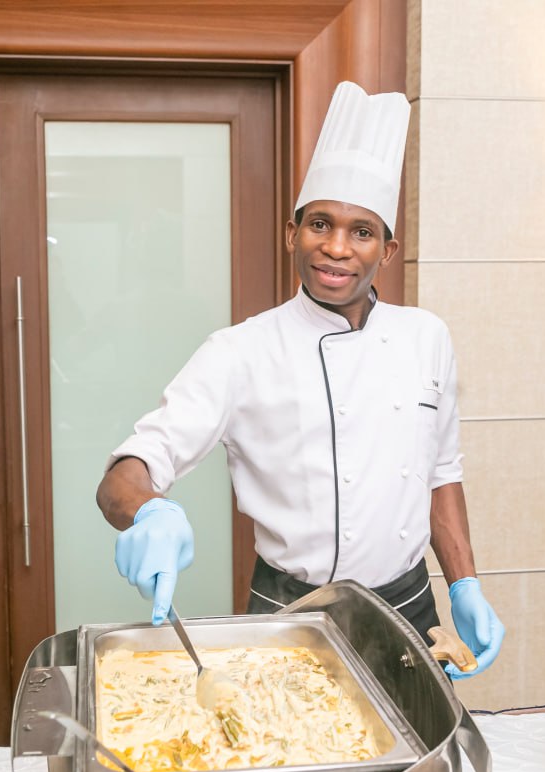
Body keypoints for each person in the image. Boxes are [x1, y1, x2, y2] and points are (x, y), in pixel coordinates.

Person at [96, 82, 503, 678]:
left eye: (361, 232)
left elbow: (441, 472)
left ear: (387, 251)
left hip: (410, 609)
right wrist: (149, 512)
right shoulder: (239, 351)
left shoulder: (427, 337)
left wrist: (464, 582)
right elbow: (125, 475)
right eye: (320, 224)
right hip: (288, 612)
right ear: (293, 234)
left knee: (419, 741)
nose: (336, 248)